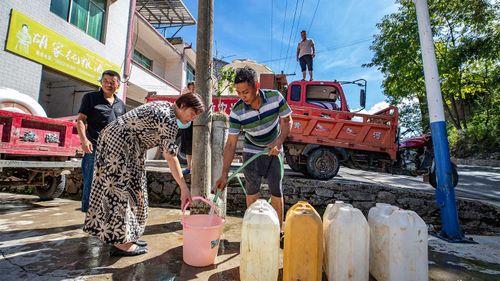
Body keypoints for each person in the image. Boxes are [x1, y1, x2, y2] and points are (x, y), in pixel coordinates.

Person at [83, 94, 205, 256]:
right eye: (192, 114)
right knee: (119, 191)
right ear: (182, 106)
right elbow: (170, 156)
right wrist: (184, 187)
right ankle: (121, 243)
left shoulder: (166, 107)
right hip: (119, 144)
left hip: (127, 145)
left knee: (136, 189)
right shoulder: (168, 118)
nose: (192, 119)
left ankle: (127, 234)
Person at [214, 66, 292, 232]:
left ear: (256, 85)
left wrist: (278, 143)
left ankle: (279, 231)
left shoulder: (275, 98)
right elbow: (230, 144)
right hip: (251, 151)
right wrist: (224, 174)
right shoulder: (237, 111)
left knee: (276, 191)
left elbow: (287, 122)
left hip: (274, 149)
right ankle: (253, 230)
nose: (242, 97)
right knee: (252, 191)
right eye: (239, 93)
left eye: (246, 92)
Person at [76, 70, 126, 213]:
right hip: (95, 147)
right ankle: (87, 216)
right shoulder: (91, 98)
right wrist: (84, 140)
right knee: (91, 182)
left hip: (114, 150)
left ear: (118, 85)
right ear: (101, 82)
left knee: (110, 183)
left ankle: (103, 216)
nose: (109, 84)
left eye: (113, 82)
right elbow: (80, 120)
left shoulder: (120, 104)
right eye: (105, 81)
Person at [179, 81, 195, 175]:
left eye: (193, 88)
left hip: (197, 125)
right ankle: (189, 167)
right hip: (187, 124)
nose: (191, 89)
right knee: (188, 147)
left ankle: (195, 168)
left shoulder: (198, 98)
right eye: (190, 88)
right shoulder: (185, 98)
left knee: (196, 146)